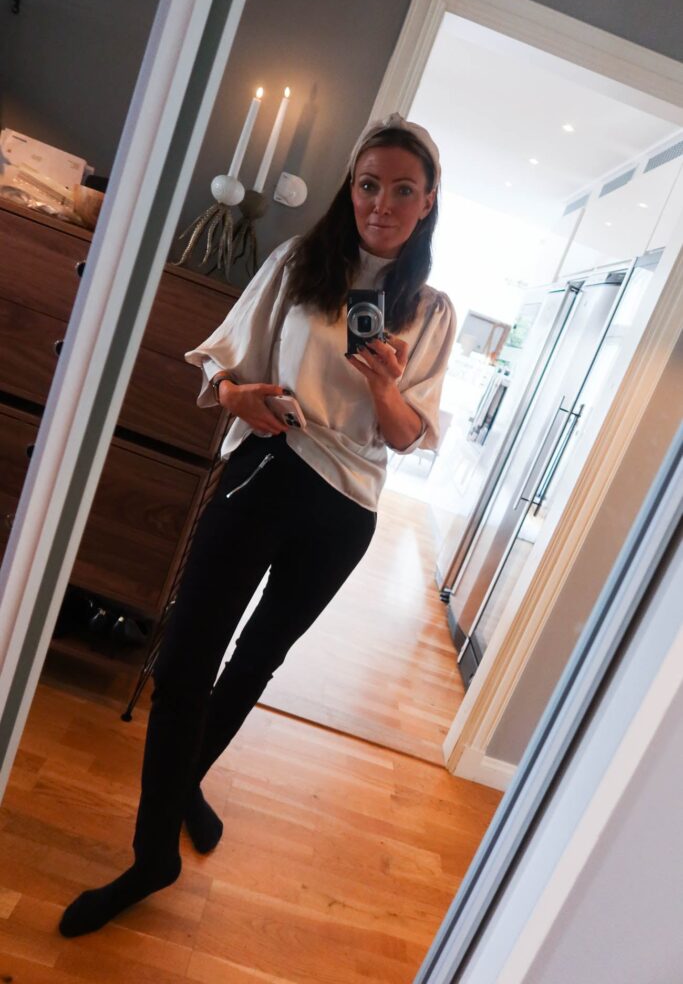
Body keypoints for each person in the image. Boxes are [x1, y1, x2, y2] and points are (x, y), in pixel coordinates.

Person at [59, 112, 456, 937]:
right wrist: (242, 397)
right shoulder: (297, 263)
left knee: (255, 661)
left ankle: (181, 790)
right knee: (184, 660)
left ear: (426, 202)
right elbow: (220, 365)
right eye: (368, 185)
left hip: (346, 510)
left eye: (401, 190)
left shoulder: (429, 310)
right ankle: (152, 855)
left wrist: (383, 384)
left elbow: (404, 436)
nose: (380, 204)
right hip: (267, 470)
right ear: (351, 189)